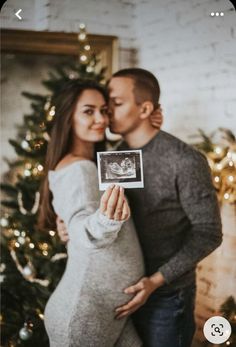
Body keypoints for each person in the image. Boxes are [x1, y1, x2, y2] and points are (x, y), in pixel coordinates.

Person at [58, 68, 222, 347]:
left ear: (145, 109)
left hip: (166, 298)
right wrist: (70, 227)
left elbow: (209, 232)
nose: (107, 112)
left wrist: (155, 281)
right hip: (120, 294)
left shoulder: (185, 161)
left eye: (115, 104)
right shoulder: (111, 155)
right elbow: (93, 210)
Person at [38, 80, 147, 347]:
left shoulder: (92, 164)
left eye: (104, 110)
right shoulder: (79, 170)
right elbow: (80, 226)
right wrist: (105, 222)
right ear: (68, 118)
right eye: (88, 111)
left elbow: (72, 225)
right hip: (84, 316)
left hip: (110, 311)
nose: (100, 118)